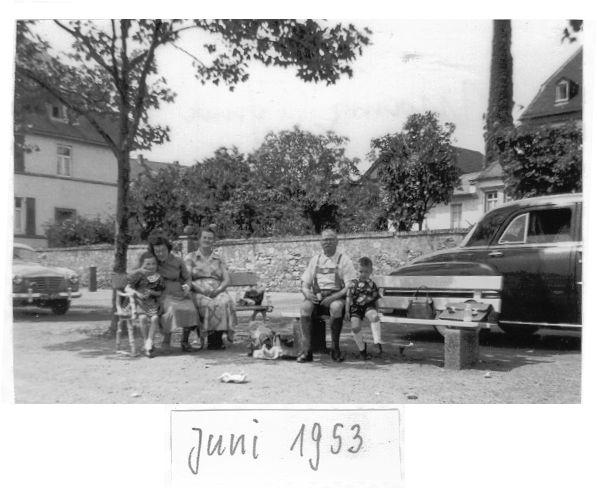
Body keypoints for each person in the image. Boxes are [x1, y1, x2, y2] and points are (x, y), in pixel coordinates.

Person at [298, 229, 356, 363]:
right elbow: (305, 282)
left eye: (330, 239)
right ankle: (307, 351)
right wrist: (306, 292)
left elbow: (349, 286)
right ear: (321, 242)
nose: (327, 242)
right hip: (317, 297)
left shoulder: (344, 260)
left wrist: (334, 297)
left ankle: (335, 349)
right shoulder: (315, 259)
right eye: (325, 240)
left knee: (336, 308)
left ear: (337, 241)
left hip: (336, 296)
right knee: (305, 307)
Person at [184, 227, 237, 350]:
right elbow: (187, 278)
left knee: (226, 301)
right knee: (209, 303)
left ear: (213, 240)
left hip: (216, 289)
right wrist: (201, 290)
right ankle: (213, 339)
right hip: (197, 290)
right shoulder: (190, 257)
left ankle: (217, 339)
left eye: (210, 238)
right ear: (199, 239)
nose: (207, 240)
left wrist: (218, 290)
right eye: (205, 237)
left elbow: (226, 279)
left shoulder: (218, 259)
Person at [148, 232, 199, 353]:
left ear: (168, 248)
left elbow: (187, 277)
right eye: (157, 251)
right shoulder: (152, 261)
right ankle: (166, 341)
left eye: (162, 250)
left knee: (190, 309)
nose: (160, 253)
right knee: (172, 309)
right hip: (163, 293)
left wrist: (187, 285)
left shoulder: (178, 260)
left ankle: (185, 341)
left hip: (179, 291)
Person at [125, 251, 165, 357]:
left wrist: (151, 292)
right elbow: (127, 288)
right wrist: (137, 293)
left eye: (153, 264)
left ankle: (149, 342)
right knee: (142, 318)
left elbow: (160, 292)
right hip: (140, 302)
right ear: (142, 265)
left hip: (152, 303)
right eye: (147, 264)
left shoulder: (158, 277)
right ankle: (146, 342)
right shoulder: (139, 275)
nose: (151, 266)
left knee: (154, 318)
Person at [345, 256, 383, 360]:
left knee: (374, 317)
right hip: (355, 308)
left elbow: (375, 299)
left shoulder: (372, 284)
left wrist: (378, 311)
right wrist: (347, 311)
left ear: (371, 271)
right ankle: (362, 350)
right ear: (357, 270)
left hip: (368, 306)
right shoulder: (353, 283)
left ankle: (377, 342)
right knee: (355, 328)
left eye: (366, 272)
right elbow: (348, 297)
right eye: (360, 271)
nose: (363, 274)